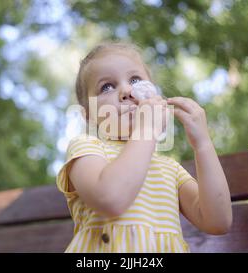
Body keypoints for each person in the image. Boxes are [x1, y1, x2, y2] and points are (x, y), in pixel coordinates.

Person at [56, 42, 232, 252]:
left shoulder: (170, 169)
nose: (127, 90)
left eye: (135, 79)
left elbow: (218, 221)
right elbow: (111, 198)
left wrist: (203, 144)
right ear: (89, 116)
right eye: (107, 86)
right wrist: (147, 129)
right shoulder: (86, 147)